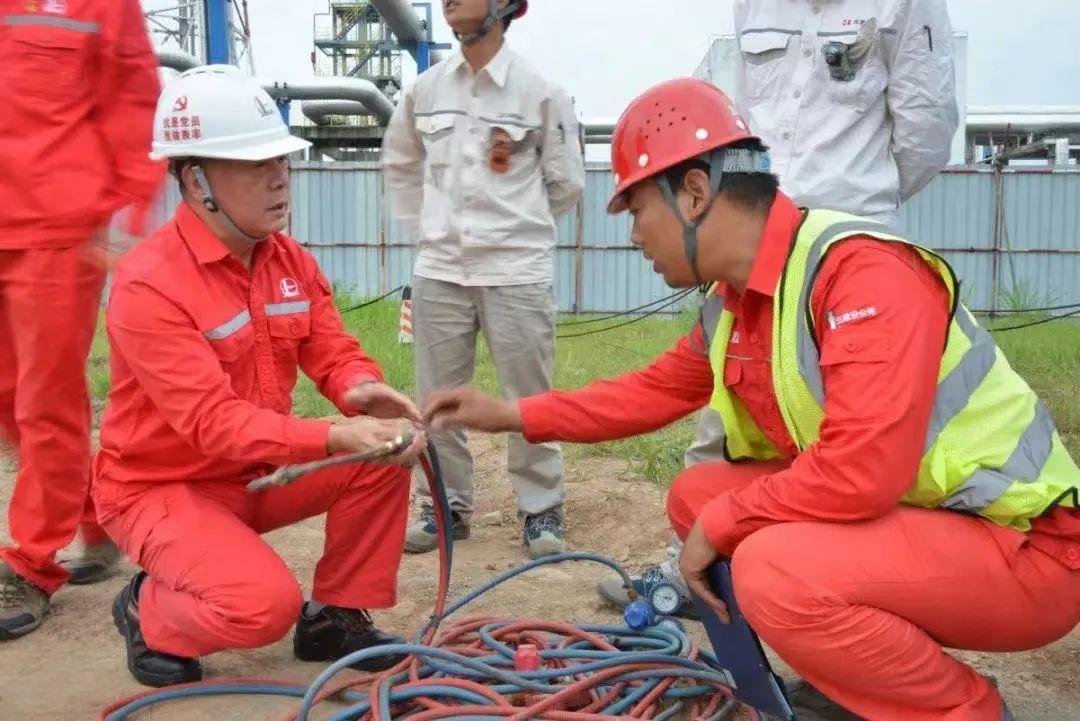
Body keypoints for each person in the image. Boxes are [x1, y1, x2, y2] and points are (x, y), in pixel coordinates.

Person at [423, 78, 1080, 721]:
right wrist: (509, 414)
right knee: (697, 495)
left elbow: (863, 469)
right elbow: (647, 393)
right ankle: (853, 681)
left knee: (772, 569)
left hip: (1027, 548)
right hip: (931, 521)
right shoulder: (738, 304)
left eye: (636, 210)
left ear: (695, 191)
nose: (632, 236)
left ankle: (964, 710)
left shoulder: (858, 273)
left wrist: (727, 522)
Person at [601, 0, 962, 614]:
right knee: (722, 437)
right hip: (754, 237)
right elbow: (746, 125)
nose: (638, 233)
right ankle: (706, 563)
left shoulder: (901, 5)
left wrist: (842, 224)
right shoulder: (756, 7)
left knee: (849, 454)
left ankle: (842, 580)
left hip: (838, 237)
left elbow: (925, 133)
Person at [92, 66, 426, 688]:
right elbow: (213, 425)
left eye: (281, 159)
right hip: (162, 487)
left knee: (384, 452)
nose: (280, 177)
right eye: (255, 164)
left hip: (252, 474)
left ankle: (333, 617)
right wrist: (333, 434)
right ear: (196, 179)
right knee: (260, 607)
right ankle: (148, 607)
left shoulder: (288, 259)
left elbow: (332, 349)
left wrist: (359, 389)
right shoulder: (149, 284)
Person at [382, 0, 585, 559]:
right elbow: (399, 163)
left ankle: (541, 510)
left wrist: (514, 228)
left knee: (530, 397)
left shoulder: (540, 93)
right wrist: (427, 231)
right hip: (440, 271)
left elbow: (566, 183)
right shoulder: (424, 92)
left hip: (515, 271)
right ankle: (445, 504)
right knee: (437, 399)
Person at [0, 0, 164, 640]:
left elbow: (132, 94)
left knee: (46, 399)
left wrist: (126, 214)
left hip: (58, 225)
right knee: (9, 399)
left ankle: (30, 563)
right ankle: (98, 519)